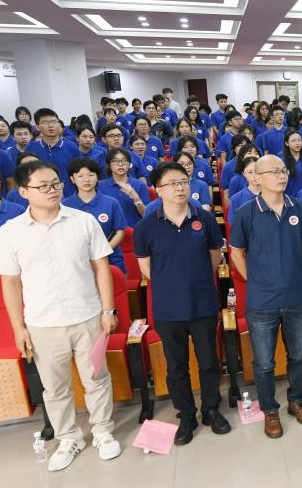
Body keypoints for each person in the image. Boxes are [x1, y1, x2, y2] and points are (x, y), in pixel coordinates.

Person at [0, 160, 122, 471]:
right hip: (43, 322)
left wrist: (108, 310)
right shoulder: (10, 232)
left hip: (87, 315)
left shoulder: (83, 221)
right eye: (43, 186)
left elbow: (101, 268)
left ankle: (103, 431)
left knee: (97, 378)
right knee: (55, 388)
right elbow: (10, 283)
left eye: (55, 184)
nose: (52, 190)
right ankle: (68, 437)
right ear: (23, 191)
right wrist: (18, 327)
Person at [133, 162, 231, 445]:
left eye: (183, 182)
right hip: (168, 307)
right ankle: (186, 414)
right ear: (158, 189)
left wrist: (196, 278)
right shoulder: (146, 227)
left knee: (209, 361)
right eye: (172, 183)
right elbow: (146, 268)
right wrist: (172, 284)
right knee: (176, 366)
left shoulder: (204, 218)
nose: (179, 188)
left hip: (203, 302)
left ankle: (210, 409)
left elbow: (215, 255)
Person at [228, 155, 302, 439]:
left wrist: (291, 268)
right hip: (262, 300)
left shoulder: (299, 207)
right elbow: (236, 252)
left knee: (299, 355)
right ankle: (269, 409)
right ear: (257, 177)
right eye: (274, 171)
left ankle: (296, 399)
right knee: (264, 362)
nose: (281, 175)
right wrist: (254, 279)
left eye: (284, 170)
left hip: (296, 296)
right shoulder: (245, 212)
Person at [62, 157, 128, 276]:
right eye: (80, 176)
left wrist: (103, 251)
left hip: (111, 258)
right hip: (77, 262)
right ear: (72, 179)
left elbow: (120, 232)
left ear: (97, 177)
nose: (86, 179)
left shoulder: (111, 203)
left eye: (91, 175)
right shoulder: (64, 205)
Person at [98, 147, 150, 226]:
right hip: (109, 230)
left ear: (129, 164)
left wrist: (136, 198)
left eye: (124, 161)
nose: (120, 164)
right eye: (115, 161)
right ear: (108, 165)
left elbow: (146, 215)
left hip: (134, 229)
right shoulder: (100, 186)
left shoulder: (139, 185)